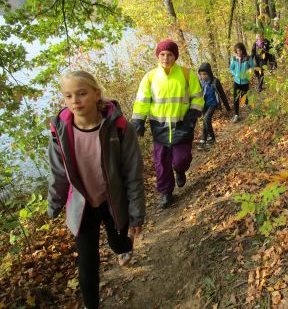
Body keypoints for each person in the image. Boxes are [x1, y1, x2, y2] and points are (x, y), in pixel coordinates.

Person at [47, 70, 145, 309]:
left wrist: (136, 214)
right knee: (87, 265)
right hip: (82, 208)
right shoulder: (59, 132)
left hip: (113, 202)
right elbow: (58, 172)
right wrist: (54, 204)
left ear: (96, 94)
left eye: (81, 93)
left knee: (118, 242)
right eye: (68, 96)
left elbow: (133, 174)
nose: (75, 101)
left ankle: (122, 248)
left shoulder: (119, 127)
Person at [131, 39, 204, 208]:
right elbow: (142, 101)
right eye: (162, 54)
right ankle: (166, 193)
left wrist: (192, 116)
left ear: (175, 56)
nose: (165, 58)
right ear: (158, 56)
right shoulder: (150, 77)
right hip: (159, 129)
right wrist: (138, 120)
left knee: (181, 160)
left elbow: (197, 97)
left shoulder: (186, 74)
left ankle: (179, 171)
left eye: (169, 54)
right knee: (161, 164)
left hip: (182, 126)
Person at [197, 62, 231, 149]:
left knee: (206, 118)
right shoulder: (201, 82)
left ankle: (211, 137)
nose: (203, 76)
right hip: (204, 105)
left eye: (205, 74)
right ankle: (203, 140)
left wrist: (227, 107)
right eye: (201, 74)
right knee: (205, 121)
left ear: (209, 73)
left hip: (213, 104)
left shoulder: (215, 81)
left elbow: (222, 94)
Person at [229, 42, 255, 123]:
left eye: (240, 51)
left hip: (245, 82)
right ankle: (236, 115)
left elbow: (252, 67)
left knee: (244, 98)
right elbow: (231, 69)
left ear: (243, 50)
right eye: (237, 51)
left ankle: (249, 110)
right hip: (236, 82)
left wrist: (248, 75)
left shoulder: (248, 58)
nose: (238, 53)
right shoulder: (234, 58)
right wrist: (235, 74)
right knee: (236, 98)